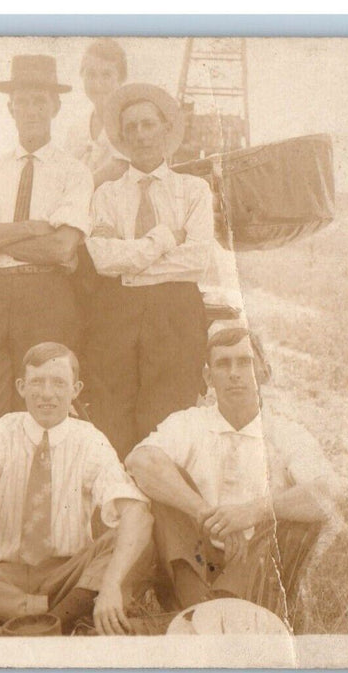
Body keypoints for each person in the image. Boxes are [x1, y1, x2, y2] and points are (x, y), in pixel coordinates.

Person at [0, 342, 153, 635]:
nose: (47, 394)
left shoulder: (90, 440)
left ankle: (18, 624)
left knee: (137, 539)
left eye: (59, 383)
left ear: (76, 389)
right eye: (37, 382)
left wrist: (111, 585)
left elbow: (135, 512)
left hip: (66, 574)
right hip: (2, 574)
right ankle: (58, 619)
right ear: (21, 386)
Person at [125, 327, 330, 619]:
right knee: (165, 489)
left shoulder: (286, 431)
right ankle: (209, 609)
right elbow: (139, 461)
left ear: (264, 372)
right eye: (223, 364)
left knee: (297, 510)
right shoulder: (190, 423)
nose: (234, 373)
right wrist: (204, 513)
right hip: (194, 557)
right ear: (209, 378)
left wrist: (252, 512)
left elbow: (327, 493)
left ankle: (212, 612)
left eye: (244, 362)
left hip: (254, 560)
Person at [0, 54, 92, 440]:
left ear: (55, 107)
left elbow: (61, 248)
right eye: (23, 101)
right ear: (10, 107)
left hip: (46, 297)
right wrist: (28, 228)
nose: (30, 109)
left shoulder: (74, 172)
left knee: (44, 417)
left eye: (39, 101)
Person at [82, 82, 216, 459]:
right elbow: (103, 259)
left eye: (148, 124)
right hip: (116, 316)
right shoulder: (106, 194)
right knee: (113, 420)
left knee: (169, 422)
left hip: (175, 313)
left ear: (165, 130)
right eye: (131, 128)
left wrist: (131, 263)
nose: (140, 135)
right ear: (122, 138)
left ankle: (165, 511)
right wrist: (163, 239)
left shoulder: (194, 191)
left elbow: (198, 260)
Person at [66, 39, 131, 187]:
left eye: (106, 75)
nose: (97, 83)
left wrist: (74, 191)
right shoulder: (75, 130)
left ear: (121, 78)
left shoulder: (130, 123)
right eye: (91, 74)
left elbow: (117, 169)